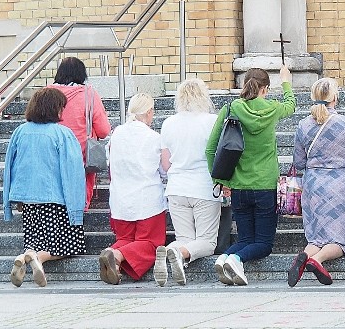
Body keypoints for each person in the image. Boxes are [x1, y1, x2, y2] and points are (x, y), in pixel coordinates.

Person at [205, 65, 296, 286]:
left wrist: (221, 180)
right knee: (263, 244)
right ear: (265, 88)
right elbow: (291, 105)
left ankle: (224, 258)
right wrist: (285, 81)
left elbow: (210, 149)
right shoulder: (272, 108)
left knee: (246, 238)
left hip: (238, 187)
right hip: (265, 186)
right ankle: (235, 258)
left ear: (244, 85)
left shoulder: (230, 109)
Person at [287, 77, 345, 287]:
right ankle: (317, 260)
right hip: (340, 186)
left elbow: (299, 162)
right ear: (335, 97)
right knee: (340, 240)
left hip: (313, 185)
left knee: (316, 237)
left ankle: (305, 255)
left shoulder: (303, 125)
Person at [3, 87, 86, 287]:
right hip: (54, 198)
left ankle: (26, 256)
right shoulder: (62, 133)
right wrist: (75, 204)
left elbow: (9, 167)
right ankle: (38, 259)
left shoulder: (20, 131)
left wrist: (10, 200)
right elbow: (72, 172)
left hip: (27, 198)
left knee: (34, 238)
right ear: (55, 109)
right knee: (69, 245)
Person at [153, 78, 222, 286]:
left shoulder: (168, 123)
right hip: (203, 187)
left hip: (176, 188)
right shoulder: (212, 121)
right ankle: (178, 252)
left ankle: (175, 251)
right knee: (207, 242)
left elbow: (165, 164)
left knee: (184, 237)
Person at [99, 93, 167, 284]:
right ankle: (118, 256)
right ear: (149, 112)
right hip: (147, 201)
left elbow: (108, 160)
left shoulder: (117, 133)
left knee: (127, 239)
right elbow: (163, 170)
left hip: (120, 201)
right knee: (151, 243)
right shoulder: (153, 137)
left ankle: (112, 253)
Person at [49, 56, 111, 209]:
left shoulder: (46, 94)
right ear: (82, 74)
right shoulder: (89, 94)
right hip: (81, 155)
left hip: (51, 152)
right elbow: (103, 131)